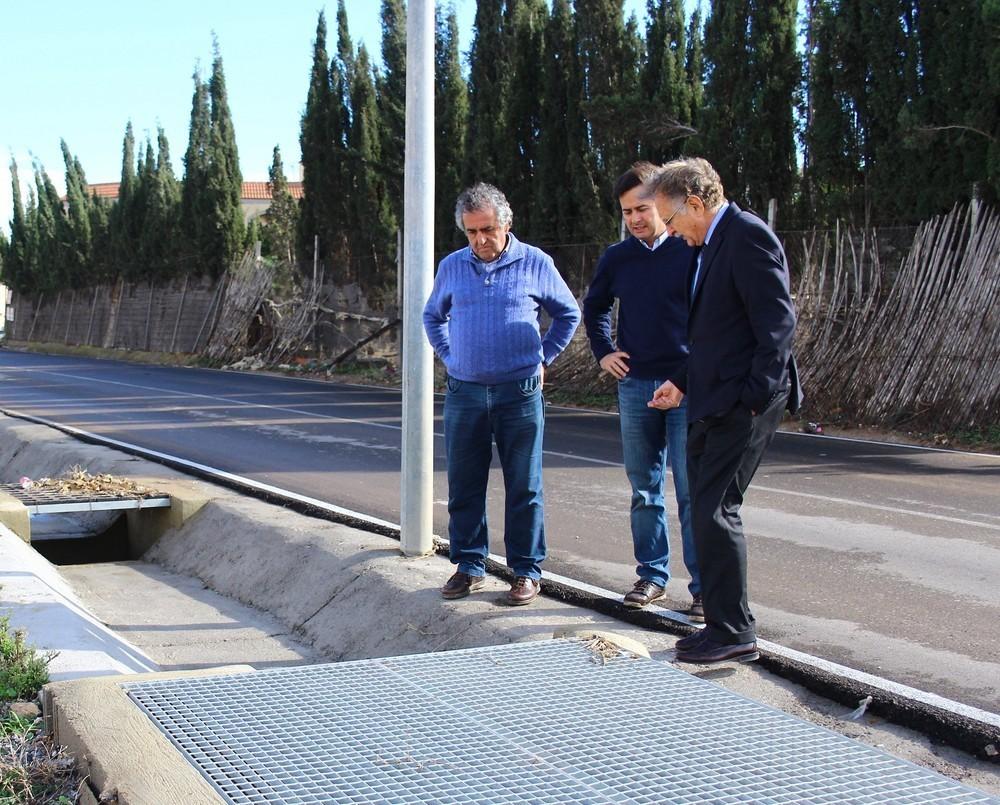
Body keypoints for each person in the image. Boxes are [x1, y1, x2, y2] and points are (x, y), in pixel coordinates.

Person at [648, 157, 801, 664]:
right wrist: (683, 383)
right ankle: (718, 625)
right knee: (702, 507)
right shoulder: (711, 244)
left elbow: (776, 326)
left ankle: (735, 632)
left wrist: (753, 398)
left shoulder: (746, 236)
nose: (672, 233)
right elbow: (717, 336)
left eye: (671, 222)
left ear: (695, 204)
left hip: (742, 403)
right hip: (711, 396)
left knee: (716, 510)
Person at [423, 183, 581, 606]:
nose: (481, 240)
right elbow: (432, 315)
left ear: (506, 224)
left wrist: (544, 356)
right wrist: (448, 353)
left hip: (520, 390)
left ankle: (526, 571)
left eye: (488, 229)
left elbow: (568, 312)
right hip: (465, 390)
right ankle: (469, 565)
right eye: (472, 232)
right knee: (464, 482)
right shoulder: (453, 266)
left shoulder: (535, 262)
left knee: (524, 485)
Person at [582, 162, 702, 618]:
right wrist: (603, 351)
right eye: (626, 211)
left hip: (686, 388)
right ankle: (652, 577)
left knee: (692, 489)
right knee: (644, 488)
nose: (634, 218)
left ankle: (704, 588)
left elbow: (710, 316)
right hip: (635, 386)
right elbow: (593, 308)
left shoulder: (690, 249)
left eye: (643, 208)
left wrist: (690, 374)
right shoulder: (617, 257)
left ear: (664, 203)